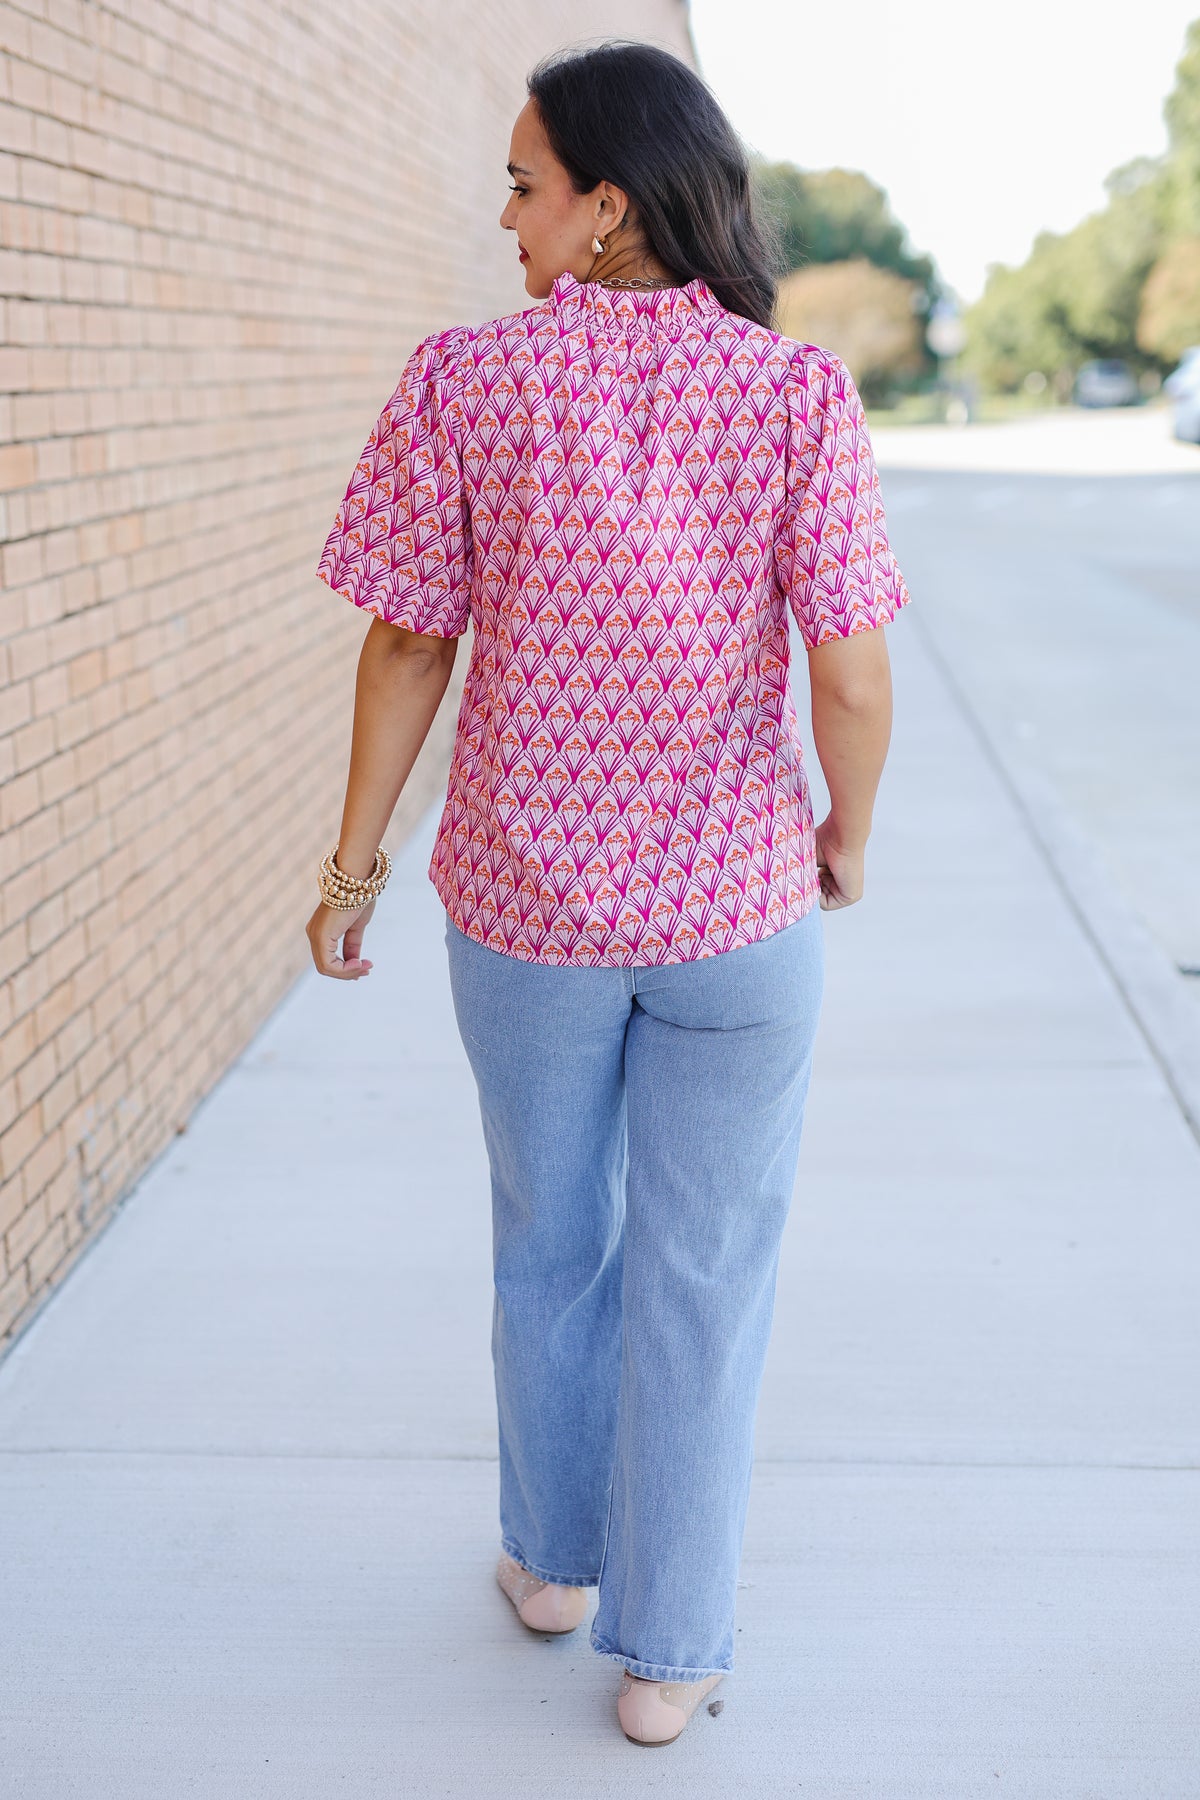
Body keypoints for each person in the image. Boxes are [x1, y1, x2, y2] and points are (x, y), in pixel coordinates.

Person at [306, 38, 910, 1749]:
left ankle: (556, 1566)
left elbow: (408, 640)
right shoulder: (794, 397)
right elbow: (851, 677)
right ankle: (672, 1655)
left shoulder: (462, 385)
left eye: (522, 181)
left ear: (604, 209)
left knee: (549, 1243)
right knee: (705, 1275)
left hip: (525, 917)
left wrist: (352, 866)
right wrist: (845, 835)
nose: (503, 211)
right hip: (735, 915)